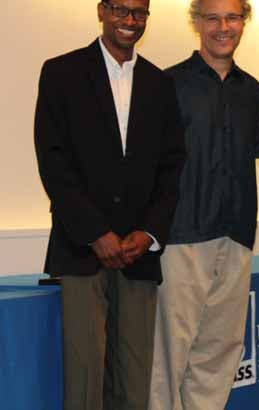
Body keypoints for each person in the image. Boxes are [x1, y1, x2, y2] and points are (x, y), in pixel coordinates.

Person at [33, 1, 185, 409]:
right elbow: (53, 161)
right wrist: (95, 232)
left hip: (139, 254)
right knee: (84, 378)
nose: (130, 20)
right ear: (101, 10)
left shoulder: (160, 83)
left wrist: (149, 233)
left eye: (139, 12)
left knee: (134, 380)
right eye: (120, 9)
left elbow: (172, 168)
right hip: (82, 248)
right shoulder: (61, 73)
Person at [148, 0, 259, 409]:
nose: (224, 26)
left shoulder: (253, 92)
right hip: (181, 236)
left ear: (244, 23)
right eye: (213, 17)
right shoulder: (167, 85)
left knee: (219, 352)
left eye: (233, 17)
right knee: (168, 356)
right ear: (197, 22)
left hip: (236, 236)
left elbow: (257, 155)